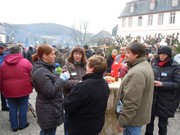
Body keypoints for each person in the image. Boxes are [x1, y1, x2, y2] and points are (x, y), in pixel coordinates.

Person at [63, 55, 110, 135]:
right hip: (96, 124)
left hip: (81, 127)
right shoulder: (104, 83)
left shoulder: (84, 86)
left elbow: (68, 106)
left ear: (91, 68)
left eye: (88, 64)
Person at [115, 41, 154, 135]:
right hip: (136, 117)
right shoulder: (144, 65)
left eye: (128, 52)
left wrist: (122, 121)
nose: (125, 55)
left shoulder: (137, 72)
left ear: (136, 54)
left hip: (132, 120)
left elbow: (131, 101)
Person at [31, 44, 70, 135]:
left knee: (47, 132)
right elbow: (50, 92)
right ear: (45, 56)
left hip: (49, 108)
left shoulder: (46, 68)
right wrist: (62, 78)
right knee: (48, 132)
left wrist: (58, 77)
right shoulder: (41, 71)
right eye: (52, 54)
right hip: (47, 110)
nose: (55, 56)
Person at [145, 46, 180, 135]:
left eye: (164, 54)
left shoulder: (175, 66)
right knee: (149, 124)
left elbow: (177, 84)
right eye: (160, 53)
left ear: (169, 55)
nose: (162, 56)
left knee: (162, 125)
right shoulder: (154, 63)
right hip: (153, 98)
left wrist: (162, 84)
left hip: (166, 100)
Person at [0, 45, 33, 132]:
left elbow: (1, 78)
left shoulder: (3, 64)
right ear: (19, 52)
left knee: (12, 107)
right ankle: (22, 124)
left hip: (8, 90)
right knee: (23, 106)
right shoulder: (25, 62)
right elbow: (32, 74)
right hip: (23, 89)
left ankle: (14, 126)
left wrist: (2, 89)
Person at [62, 46, 87, 135]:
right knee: (69, 123)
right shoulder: (66, 67)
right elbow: (64, 83)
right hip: (70, 99)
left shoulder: (85, 66)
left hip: (82, 99)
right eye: (75, 53)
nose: (77, 56)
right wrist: (79, 82)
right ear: (72, 54)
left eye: (80, 54)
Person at [0, 42, 9, 111]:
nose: (3, 50)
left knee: (3, 92)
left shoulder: (5, 55)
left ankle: (4, 106)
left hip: (3, 77)